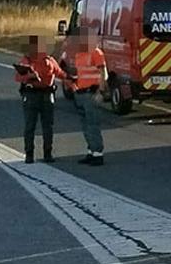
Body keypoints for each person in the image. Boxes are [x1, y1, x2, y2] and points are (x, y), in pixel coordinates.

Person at [13, 36, 66, 164]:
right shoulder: (30, 61)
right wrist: (30, 75)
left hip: (40, 96)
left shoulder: (39, 61)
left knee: (39, 126)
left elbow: (61, 74)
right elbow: (18, 77)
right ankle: (34, 154)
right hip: (38, 96)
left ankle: (40, 154)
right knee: (39, 126)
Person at [61, 31, 108, 165]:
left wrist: (101, 92)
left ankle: (98, 154)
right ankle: (91, 151)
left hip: (91, 93)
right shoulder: (79, 55)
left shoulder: (96, 53)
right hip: (80, 93)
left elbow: (103, 73)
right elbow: (81, 73)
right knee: (85, 124)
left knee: (92, 124)